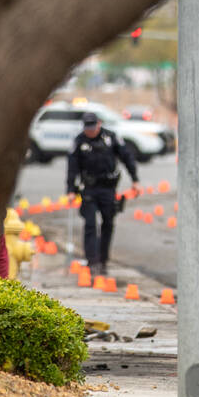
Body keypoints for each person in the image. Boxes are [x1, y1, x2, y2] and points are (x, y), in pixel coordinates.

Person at [67, 111, 140, 275]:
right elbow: (72, 167)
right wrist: (70, 189)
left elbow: (127, 157)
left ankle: (103, 259)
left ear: (99, 124)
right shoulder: (79, 141)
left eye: (92, 126)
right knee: (90, 224)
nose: (90, 130)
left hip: (108, 188)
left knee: (108, 224)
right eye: (87, 126)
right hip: (89, 189)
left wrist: (135, 179)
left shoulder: (111, 138)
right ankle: (92, 261)